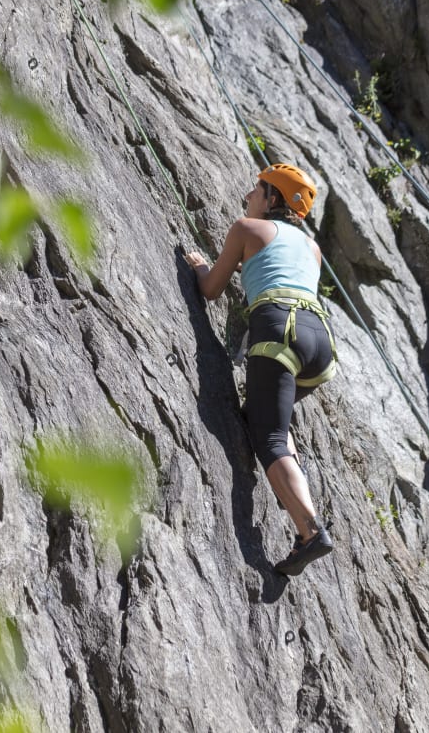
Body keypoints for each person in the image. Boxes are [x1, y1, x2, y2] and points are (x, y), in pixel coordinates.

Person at [185, 163, 337, 576]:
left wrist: (201, 265)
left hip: (279, 329)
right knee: (268, 423)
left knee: (267, 437)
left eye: (257, 189)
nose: (248, 196)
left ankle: (309, 530)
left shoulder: (246, 229)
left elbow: (210, 290)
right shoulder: (312, 249)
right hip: (319, 342)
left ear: (273, 199)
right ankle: (301, 505)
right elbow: (277, 272)